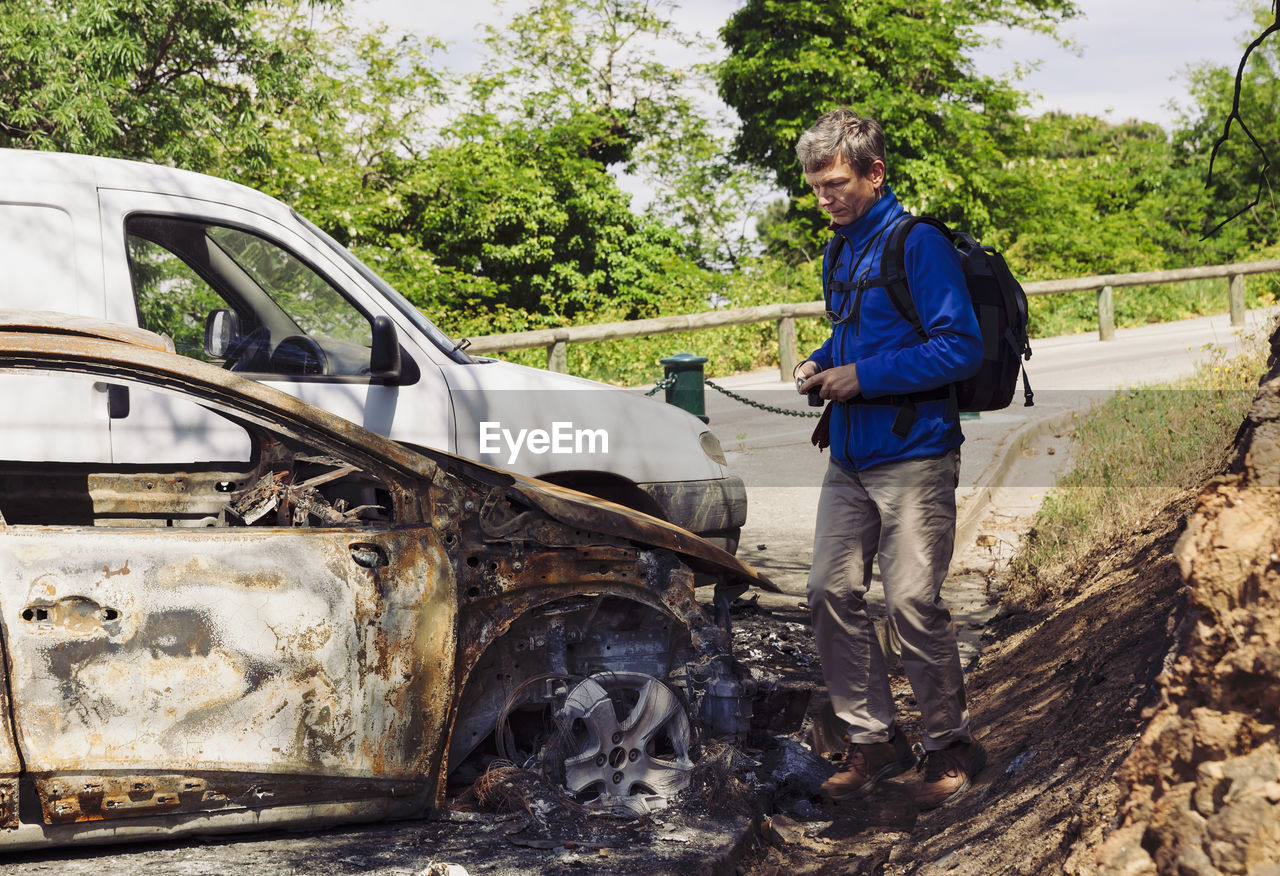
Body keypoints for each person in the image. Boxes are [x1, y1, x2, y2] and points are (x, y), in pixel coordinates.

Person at [793, 107, 986, 809]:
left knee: (911, 603)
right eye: (816, 187)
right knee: (828, 593)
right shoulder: (839, 250)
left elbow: (959, 346)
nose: (826, 199)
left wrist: (863, 377)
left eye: (837, 183)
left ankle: (947, 747)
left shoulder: (918, 244)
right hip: (849, 457)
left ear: (875, 173)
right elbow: (857, 335)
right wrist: (823, 362)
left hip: (916, 456)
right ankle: (872, 741)